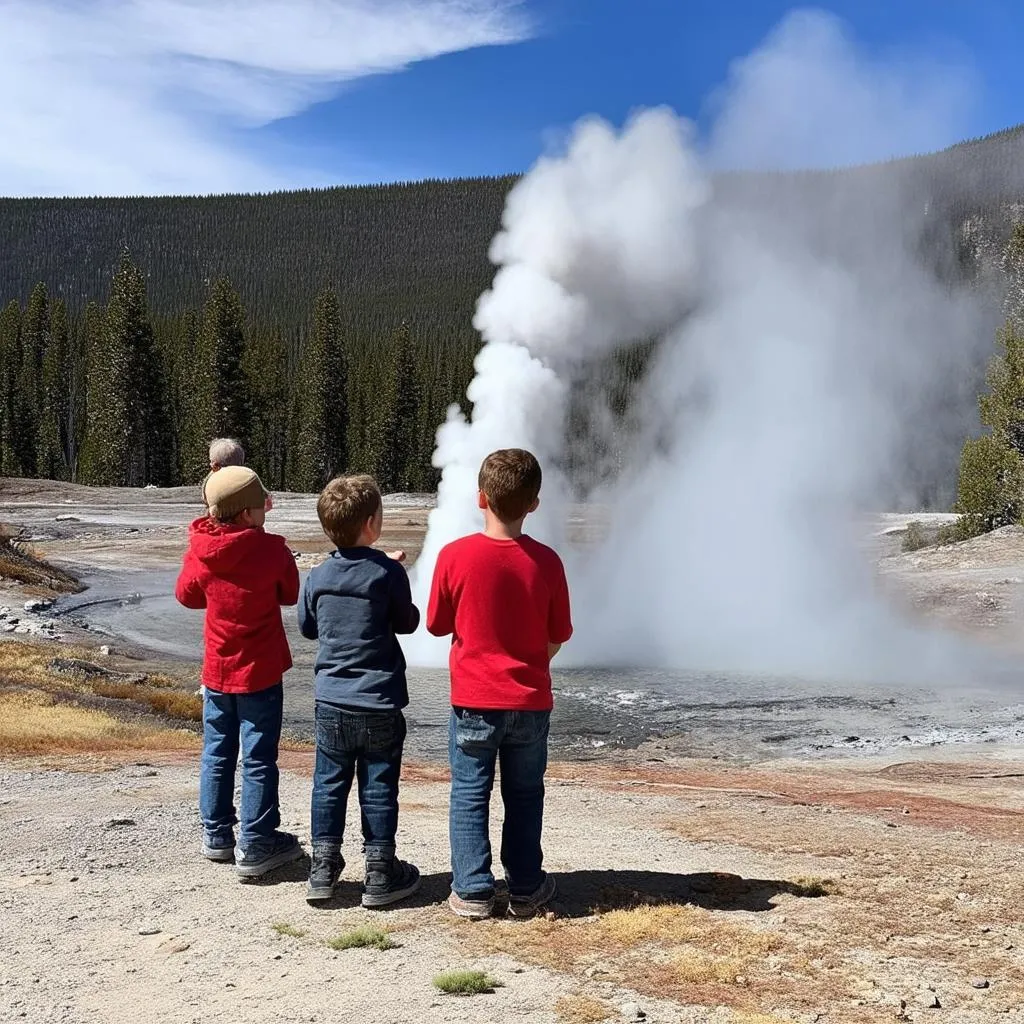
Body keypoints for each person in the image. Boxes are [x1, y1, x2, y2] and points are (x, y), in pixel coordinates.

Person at [427, 448, 573, 920]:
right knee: (525, 793)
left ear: (480, 498)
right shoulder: (548, 563)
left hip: (473, 700)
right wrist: (531, 662)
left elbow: (434, 625)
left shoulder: (454, 556)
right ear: (534, 503)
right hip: (530, 701)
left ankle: (471, 890)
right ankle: (527, 886)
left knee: (470, 792)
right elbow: (559, 635)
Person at [298, 474, 422, 907]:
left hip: (331, 700)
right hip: (380, 701)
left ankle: (323, 868)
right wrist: (390, 570)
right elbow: (407, 622)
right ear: (372, 523)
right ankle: (380, 872)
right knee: (379, 786)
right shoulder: (387, 572)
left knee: (328, 785)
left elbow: (307, 628)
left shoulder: (317, 577)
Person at [175, 465, 302, 879]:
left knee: (217, 752)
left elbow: (187, 596)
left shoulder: (201, 549)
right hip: (261, 671)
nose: (268, 506)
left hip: (217, 669)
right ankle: (257, 841)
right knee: (259, 758)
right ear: (247, 514)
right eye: (262, 502)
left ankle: (217, 836)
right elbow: (290, 594)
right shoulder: (271, 551)